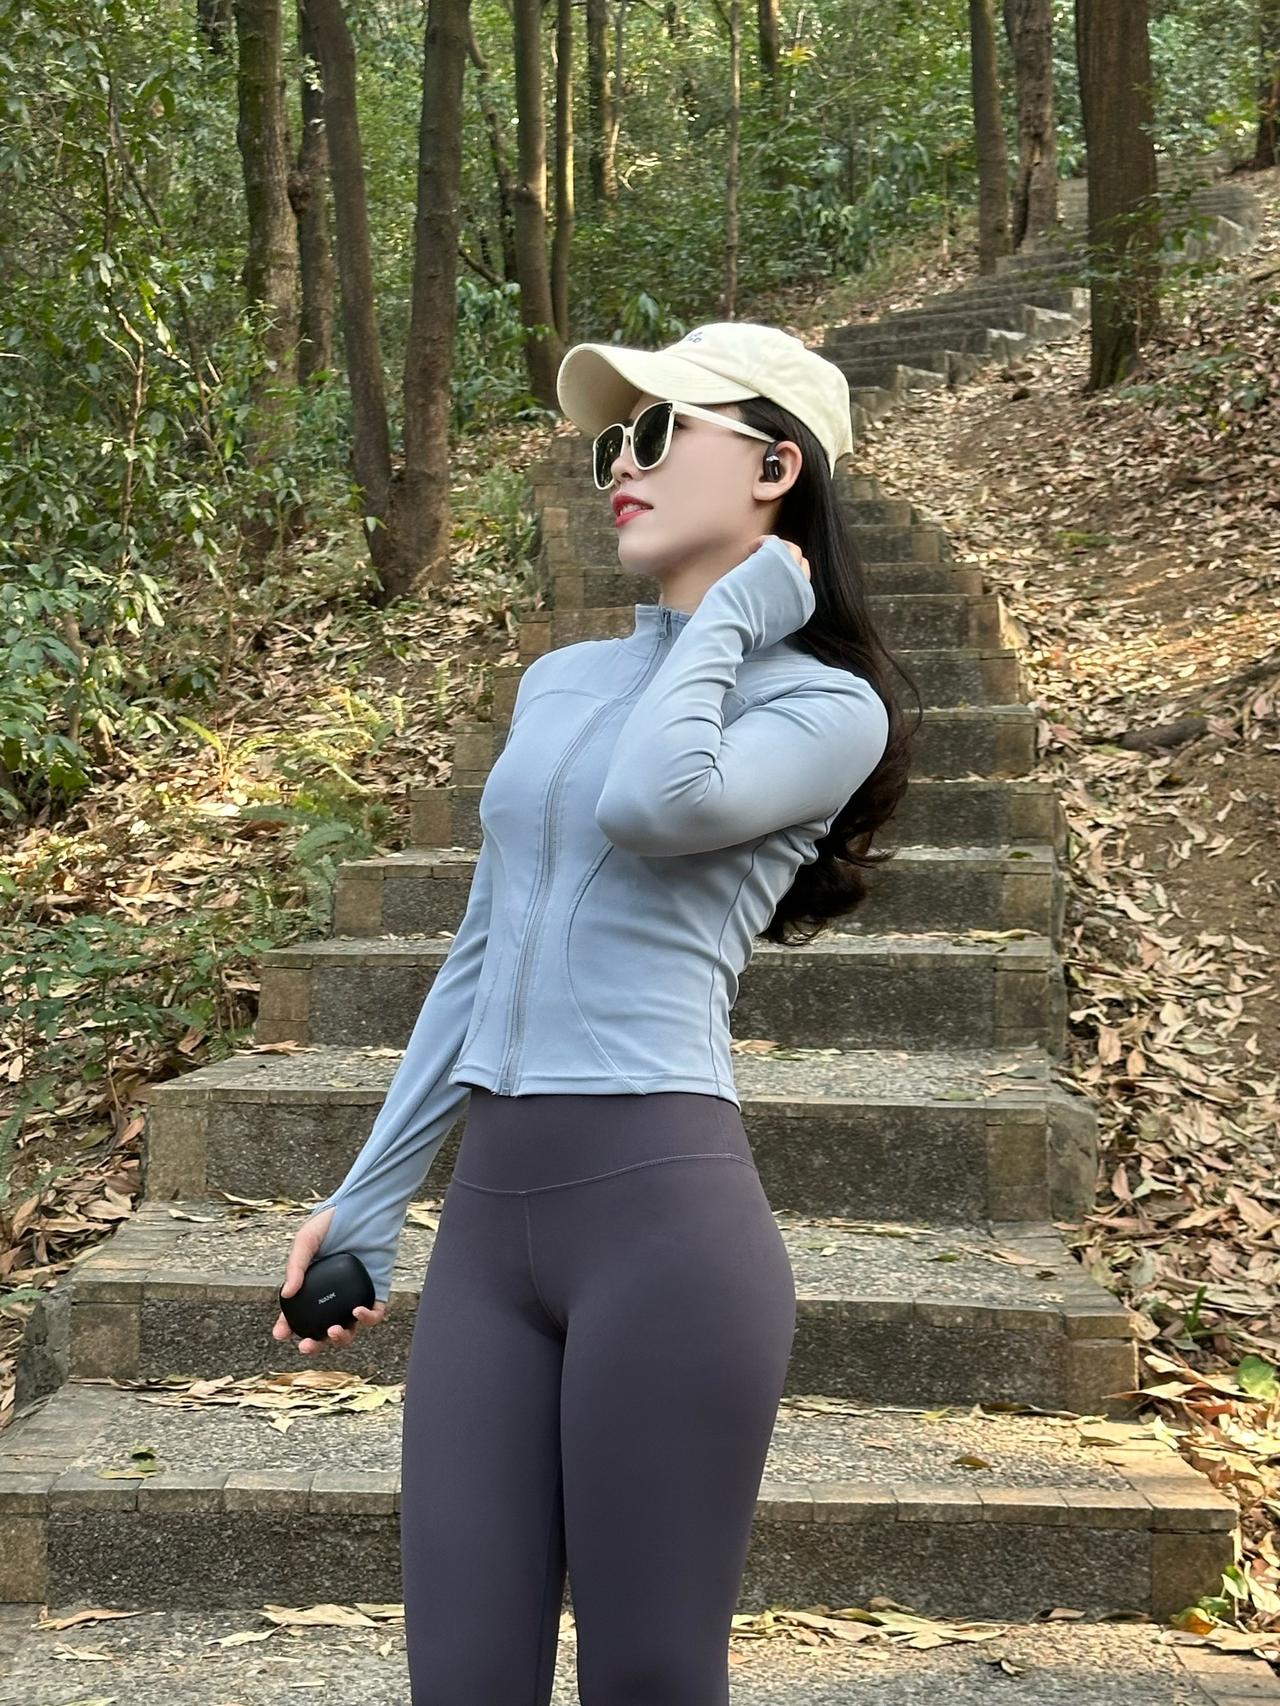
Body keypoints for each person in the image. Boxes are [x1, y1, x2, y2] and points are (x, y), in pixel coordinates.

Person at [273, 320, 917, 1703]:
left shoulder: (829, 709)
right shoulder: (558, 681)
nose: (619, 464)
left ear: (777, 468)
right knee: (461, 1677)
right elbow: (480, 952)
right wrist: (370, 1199)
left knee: (650, 1675)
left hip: (665, 1227)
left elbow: (654, 804)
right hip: (490, 1228)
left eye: (658, 432)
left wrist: (735, 614)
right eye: (611, 441)